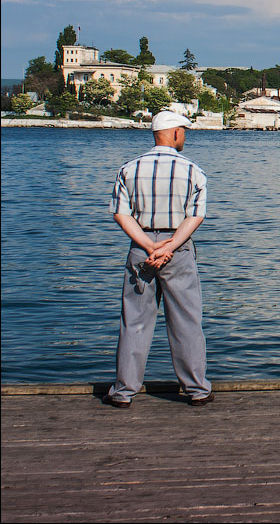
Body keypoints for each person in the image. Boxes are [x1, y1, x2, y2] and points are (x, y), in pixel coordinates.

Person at [102, 110, 213, 408]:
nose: (185, 137)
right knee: (186, 321)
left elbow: (120, 214)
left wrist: (149, 246)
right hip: (177, 249)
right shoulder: (193, 171)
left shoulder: (129, 169)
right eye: (184, 131)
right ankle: (197, 389)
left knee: (134, 321)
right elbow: (195, 217)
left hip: (142, 248)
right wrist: (170, 247)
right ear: (175, 133)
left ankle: (124, 391)